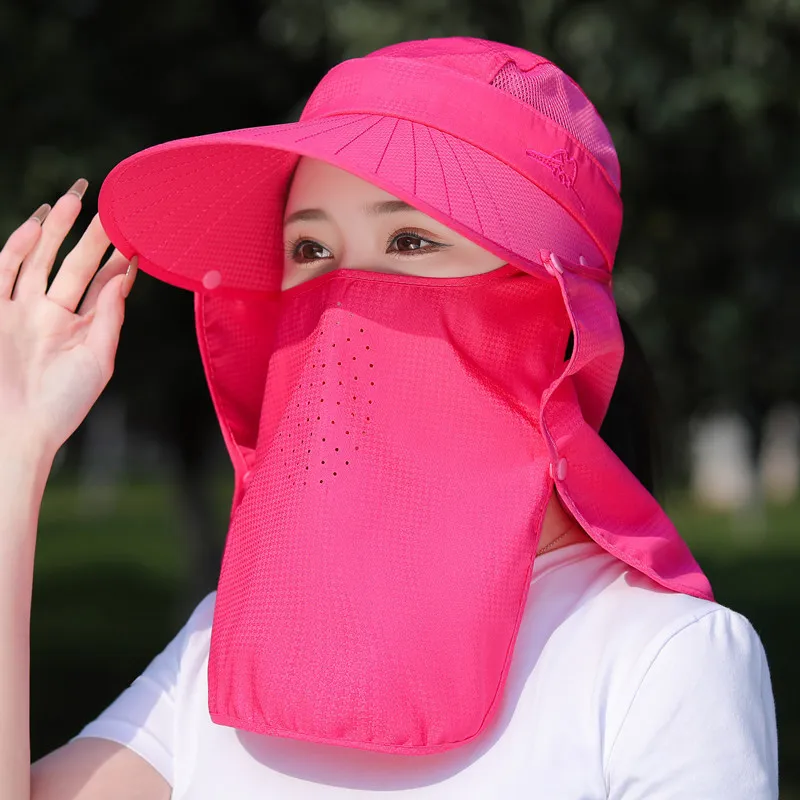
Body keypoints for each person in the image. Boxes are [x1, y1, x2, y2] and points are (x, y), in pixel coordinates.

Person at [0, 37, 778, 799]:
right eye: (309, 250)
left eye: (409, 239)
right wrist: (17, 447)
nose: (343, 299)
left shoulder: (663, 664)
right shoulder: (223, 651)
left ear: (555, 306)